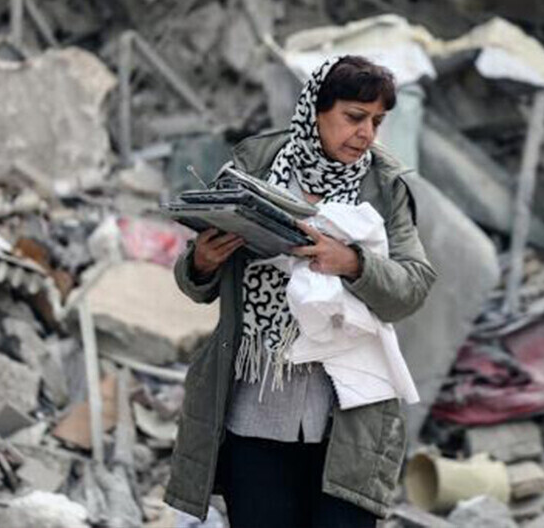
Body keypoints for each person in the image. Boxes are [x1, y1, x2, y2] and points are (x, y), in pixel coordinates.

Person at [166, 56, 436, 528]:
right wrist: (203, 261)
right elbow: (196, 284)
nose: (366, 134)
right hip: (256, 405)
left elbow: (412, 286)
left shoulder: (385, 185)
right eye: (354, 117)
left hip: (349, 417)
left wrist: (352, 263)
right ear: (316, 109)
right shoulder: (255, 165)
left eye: (376, 122)